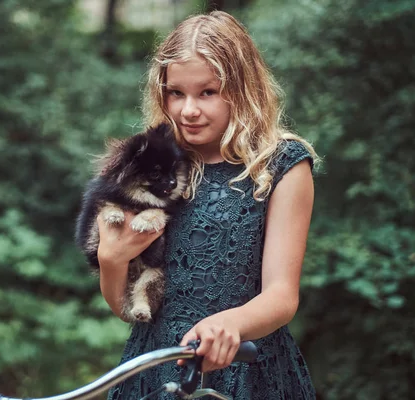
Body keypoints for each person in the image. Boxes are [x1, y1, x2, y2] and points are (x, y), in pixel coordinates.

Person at [97, 10, 317, 400]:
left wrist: (228, 324)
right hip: (155, 365)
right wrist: (111, 262)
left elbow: (282, 296)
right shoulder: (151, 164)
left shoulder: (281, 164)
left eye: (207, 92)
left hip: (246, 367)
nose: (188, 110)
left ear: (242, 89)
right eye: (176, 93)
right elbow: (130, 309)